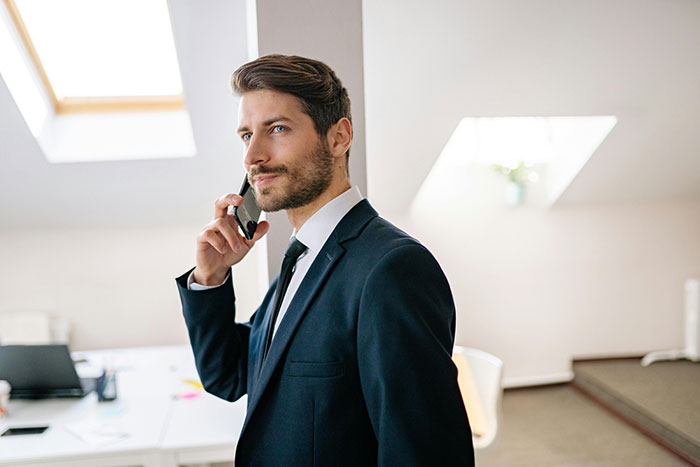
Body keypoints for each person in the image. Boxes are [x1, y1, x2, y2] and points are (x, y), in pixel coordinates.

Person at [176, 54, 474, 466]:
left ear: (338, 138)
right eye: (246, 136)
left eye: (276, 129)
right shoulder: (304, 254)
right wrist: (210, 277)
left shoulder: (392, 270)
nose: (253, 156)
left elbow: (426, 452)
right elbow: (227, 376)